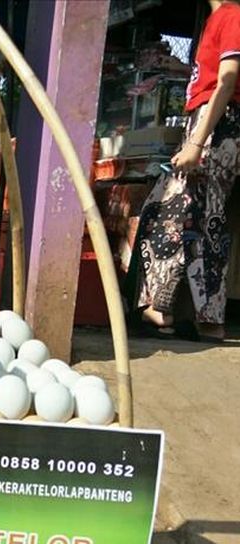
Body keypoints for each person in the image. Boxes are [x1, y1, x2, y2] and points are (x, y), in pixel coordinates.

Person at [135, 0, 240, 342]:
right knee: (207, 220)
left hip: (216, 126)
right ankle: (208, 320)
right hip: (216, 125)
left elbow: (227, 80)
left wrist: (197, 142)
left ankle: (161, 307)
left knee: (164, 209)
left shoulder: (231, 15)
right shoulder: (218, 19)